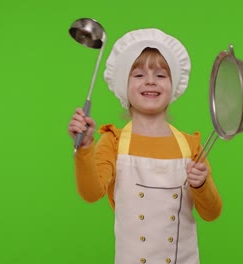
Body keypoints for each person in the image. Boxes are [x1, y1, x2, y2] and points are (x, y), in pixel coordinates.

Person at [68, 28, 222, 264]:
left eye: (161, 75)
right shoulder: (114, 141)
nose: (150, 81)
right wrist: (85, 146)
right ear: (123, 85)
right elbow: (91, 193)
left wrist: (201, 184)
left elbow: (212, 213)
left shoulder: (190, 146)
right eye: (138, 75)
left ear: (173, 85)